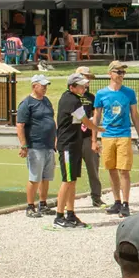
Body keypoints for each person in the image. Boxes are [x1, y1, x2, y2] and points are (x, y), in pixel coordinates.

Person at [94, 62, 139, 219]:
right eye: (119, 72)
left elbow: (135, 115)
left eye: (123, 73)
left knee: (124, 170)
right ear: (110, 73)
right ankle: (116, 201)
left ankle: (126, 203)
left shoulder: (129, 93)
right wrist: (93, 139)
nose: (122, 75)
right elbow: (96, 117)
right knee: (111, 169)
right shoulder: (101, 94)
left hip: (123, 134)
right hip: (108, 135)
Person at [52, 71, 96, 229]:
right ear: (72, 87)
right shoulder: (70, 100)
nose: (84, 87)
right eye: (81, 85)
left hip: (75, 144)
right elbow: (86, 121)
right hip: (67, 146)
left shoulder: (75, 98)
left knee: (73, 181)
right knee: (67, 180)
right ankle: (59, 216)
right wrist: (100, 129)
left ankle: (70, 213)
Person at [15, 74, 56, 218]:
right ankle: (30, 206)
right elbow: (20, 125)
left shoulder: (46, 101)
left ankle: (43, 204)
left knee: (46, 177)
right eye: (42, 85)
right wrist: (24, 145)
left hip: (49, 145)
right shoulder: (26, 103)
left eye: (46, 86)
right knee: (34, 178)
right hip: (35, 146)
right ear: (34, 86)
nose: (45, 88)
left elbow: (51, 120)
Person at [73, 65, 105, 209]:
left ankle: (96, 197)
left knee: (93, 169)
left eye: (88, 79)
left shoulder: (92, 98)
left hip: (87, 138)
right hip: (73, 138)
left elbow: (94, 119)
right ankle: (68, 202)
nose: (87, 82)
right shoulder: (70, 97)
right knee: (71, 172)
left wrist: (94, 140)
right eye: (85, 78)